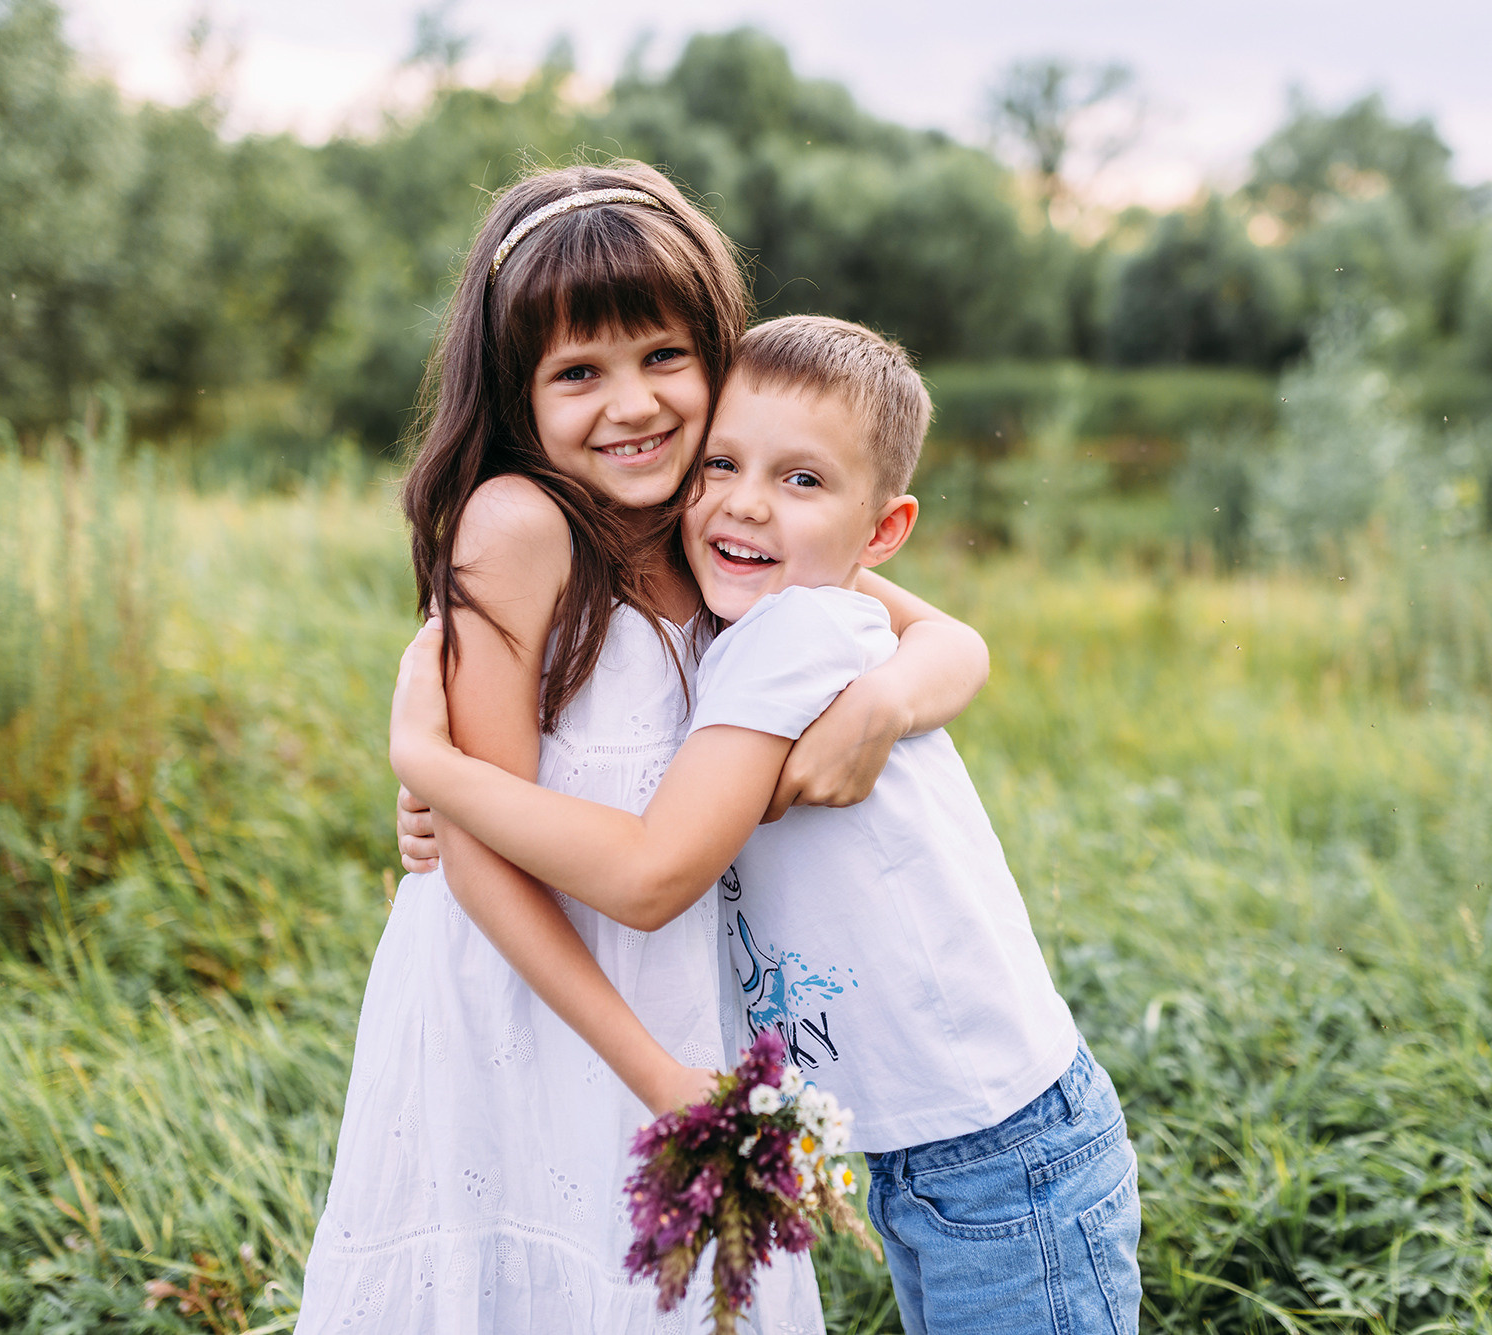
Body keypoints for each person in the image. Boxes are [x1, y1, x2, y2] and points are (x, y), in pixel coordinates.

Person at [298, 169, 990, 1333]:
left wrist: (879, 705)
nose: (631, 406)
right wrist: (658, 1077)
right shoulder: (519, 527)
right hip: (527, 1003)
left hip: (672, 984)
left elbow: (955, 646)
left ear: (717, 355)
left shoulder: (713, 526)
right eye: (578, 373)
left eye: (663, 356)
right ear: (517, 394)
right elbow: (474, 855)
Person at [388, 316, 1144, 1334]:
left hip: (1002, 1152)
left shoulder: (791, 625)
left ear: (880, 531)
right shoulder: (747, 584)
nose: (746, 501)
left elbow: (652, 874)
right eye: (722, 464)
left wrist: (435, 766)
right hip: (936, 1150)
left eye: (801, 479)